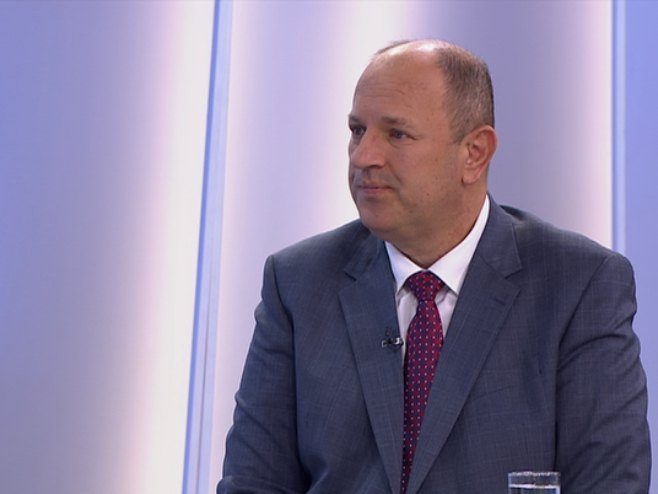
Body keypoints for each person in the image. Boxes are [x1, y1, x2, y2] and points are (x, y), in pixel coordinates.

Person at [218, 39, 650, 493]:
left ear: (475, 152)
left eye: (397, 134)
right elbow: (253, 483)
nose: (364, 156)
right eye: (358, 130)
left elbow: (610, 484)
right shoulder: (298, 283)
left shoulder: (578, 285)